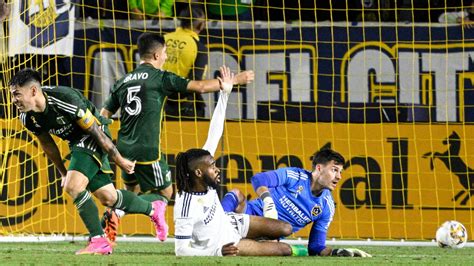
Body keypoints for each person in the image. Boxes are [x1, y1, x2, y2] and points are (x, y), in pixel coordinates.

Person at [100, 32, 254, 244]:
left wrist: (106, 144)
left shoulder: (122, 81)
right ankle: (119, 214)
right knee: (166, 193)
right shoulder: (161, 78)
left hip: (122, 149)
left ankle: (110, 230)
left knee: (131, 191)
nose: (165, 58)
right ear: (155, 55)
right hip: (147, 151)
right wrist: (234, 80)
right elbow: (199, 87)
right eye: (164, 53)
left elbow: (103, 115)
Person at [9, 68, 165, 255]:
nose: (14, 100)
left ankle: (99, 240)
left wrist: (119, 159)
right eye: (11, 95)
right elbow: (48, 145)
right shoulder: (27, 117)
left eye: (17, 94)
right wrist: (62, 172)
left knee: (73, 186)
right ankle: (153, 208)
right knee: (108, 197)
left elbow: (96, 132)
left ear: (33, 91)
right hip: (77, 144)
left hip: (94, 136)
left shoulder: (64, 99)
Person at [173, 71, 307, 257]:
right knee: (283, 249)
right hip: (224, 243)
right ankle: (306, 251)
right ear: (198, 173)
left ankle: (257, 241)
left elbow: (215, 133)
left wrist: (225, 94)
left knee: (285, 228)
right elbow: (180, 251)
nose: (216, 168)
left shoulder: (202, 172)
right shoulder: (186, 205)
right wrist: (217, 252)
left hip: (230, 221)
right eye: (212, 166)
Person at [221, 149, 372, 257]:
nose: (339, 176)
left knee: (285, 249)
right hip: (247, 215)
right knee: (236, 194)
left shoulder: (327, 206)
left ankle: (232, 245)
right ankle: (217, 225)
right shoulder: (295, 176)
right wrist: (268, 201)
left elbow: (315, 247)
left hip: (269, 236)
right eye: (334, 170)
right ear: (319, 168)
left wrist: (336, 252)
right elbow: (259, 179)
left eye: (340, 172)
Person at [163, 6, 207, 118]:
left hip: (159, 102)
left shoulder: (163, 39)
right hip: (183, 106)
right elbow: (196, 81)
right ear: (201, 25)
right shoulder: (198, 47)